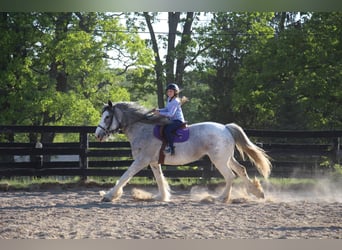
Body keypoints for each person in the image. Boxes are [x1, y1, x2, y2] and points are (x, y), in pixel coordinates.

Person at [154, 83, 185, 155]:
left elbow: (171, 114)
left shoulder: (175, 101)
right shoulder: (169, 99)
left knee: (167, 130)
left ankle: (171, 148)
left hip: (178, 121)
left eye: (171, 91)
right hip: (172, 120)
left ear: (175, 92)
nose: (169, 93)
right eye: (168, 91)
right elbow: (166, 109)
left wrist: (159, 113)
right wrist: (158, 110)